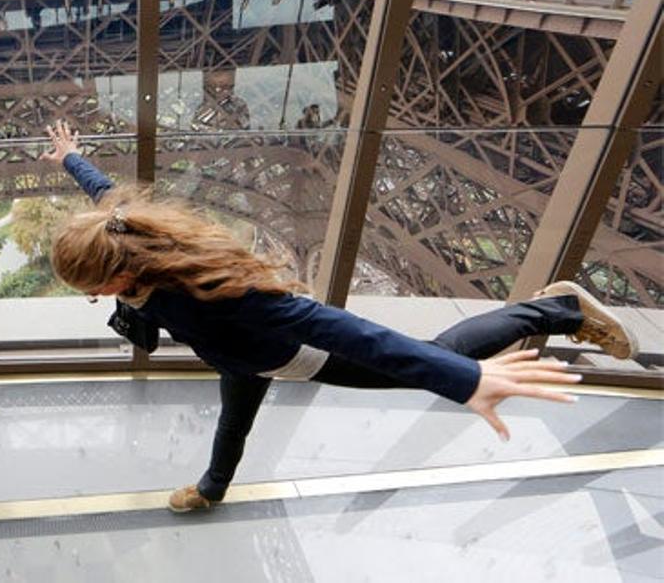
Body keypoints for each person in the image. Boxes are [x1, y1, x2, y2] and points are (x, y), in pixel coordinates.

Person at [41, 120, 637, 512]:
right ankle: (214, 488)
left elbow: (345, 330)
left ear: (119, 273)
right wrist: (71, 156)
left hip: (291, 353)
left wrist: (469, 382)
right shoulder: (122, 235)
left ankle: (554, 309)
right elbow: (105, 194)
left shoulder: (215, 290)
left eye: (94, 288)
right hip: (241, 355)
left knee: (439, 354)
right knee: (233, 424)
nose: (93, 297)